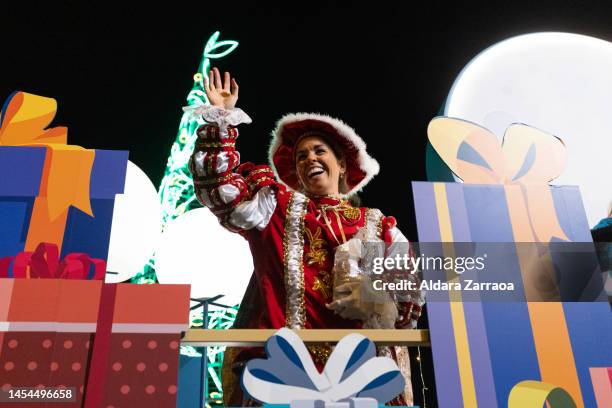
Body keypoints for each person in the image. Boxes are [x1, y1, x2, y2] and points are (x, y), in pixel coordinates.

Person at [188, 68, 424, 405]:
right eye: (301, 156)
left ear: (342, 165)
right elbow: (219, 190)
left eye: (319, 151)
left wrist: (379, 300)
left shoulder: (378, 227)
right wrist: (221, 121)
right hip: (281, 377)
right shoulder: (275, 207)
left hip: (359, 382)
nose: (309, 158)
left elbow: (407, 306)